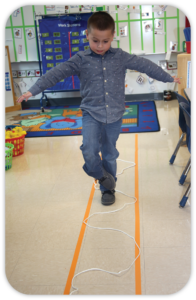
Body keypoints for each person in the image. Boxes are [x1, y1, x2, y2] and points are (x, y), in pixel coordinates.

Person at [17, 11, 181, 205]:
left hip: (115, 114)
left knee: (109, 152)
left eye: (105, 41)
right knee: (89, 150)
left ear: (112, 37)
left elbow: (145, 65)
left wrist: (168, 77)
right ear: (87, 35)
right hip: (91, 113)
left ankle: (108, 189)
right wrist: (32, 90)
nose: (100, 46)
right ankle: (100, 175)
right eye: (95, 41)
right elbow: (55, 73)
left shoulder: (121, 57)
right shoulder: (80, 59)